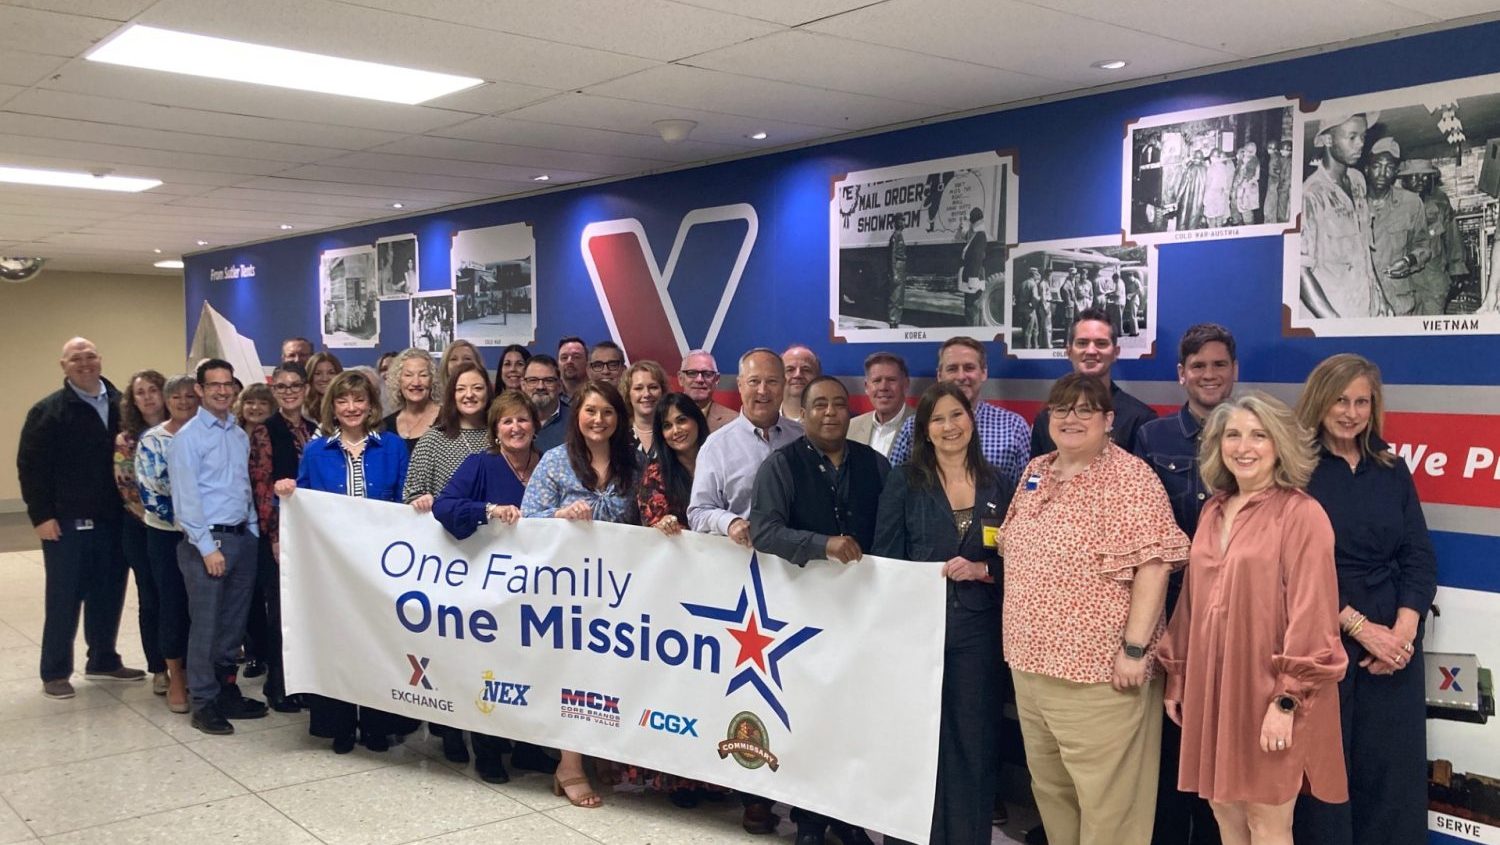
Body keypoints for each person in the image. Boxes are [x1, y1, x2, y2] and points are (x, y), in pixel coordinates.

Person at [999, 373, 1187, 845]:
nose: (1072, 418)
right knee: (1052, 792)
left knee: (1110, 804)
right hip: (1031, 667)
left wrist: (1135, 649)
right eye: (1062, 408)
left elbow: (1155, 566)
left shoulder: (1130, 478)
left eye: (1086, 409)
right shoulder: (1036, 470)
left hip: (1100, 674)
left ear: (1109, 419)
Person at [1159, 393, 1348, 845]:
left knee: (1267, 822)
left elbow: (1314, 614)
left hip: (1271, 691)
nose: (1244, 447)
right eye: (1233, 435)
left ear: (1279, 444)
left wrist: (1286, 701)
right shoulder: (1213, 510)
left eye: (1258, 435)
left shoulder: (1301, 514)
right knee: (1224, 813)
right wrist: (1178, 676)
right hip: (1212, 686)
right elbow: (1191, 601)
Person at [1291, 354, 1436, 845]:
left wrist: (1403, 632)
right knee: (1325, 783)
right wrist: (1358, 627)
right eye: (1340, 400)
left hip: (1393, 645)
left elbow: (1418, 554)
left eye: (1361, 402)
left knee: (1392, 780)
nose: (1350, 413)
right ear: (1319, 401)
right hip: (1323, 635)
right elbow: (1290, 566)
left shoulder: (1391, 468)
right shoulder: (1296, 469)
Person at [749, 375, 886, 845]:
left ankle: (848, 816)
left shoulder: (875, 464)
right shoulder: (781, 465)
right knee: (809, 719)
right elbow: (765, 531)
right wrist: (822, 544)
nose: (830, 413)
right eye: (820, 405)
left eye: (839, 405)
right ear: (803, 414)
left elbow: (893, 529)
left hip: (862, 615)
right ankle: (808, 820)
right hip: (802, 617)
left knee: (853, 719)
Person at [875, 382, 1009, 845]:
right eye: (938, 419)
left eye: (957, 415)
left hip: (978, 632)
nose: (950, 426)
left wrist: (983, 570)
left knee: (973, 739)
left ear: (972, 420)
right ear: (925, 430)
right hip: (917, 631)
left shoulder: (998, 483)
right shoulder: (905, 481)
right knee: (917, 740)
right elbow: (886, 558)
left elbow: (1017, 560)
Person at [687, 347, 803, 835]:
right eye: (753, 381)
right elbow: (698, 511)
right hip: (744, 593)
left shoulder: (802, 439)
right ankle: (755, 795)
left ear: (784, 386)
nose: (762, 391)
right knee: (753, 688)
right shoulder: (717, 446)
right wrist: (730, 522)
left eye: (772, 382)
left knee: (799, 689)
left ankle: (803, 795)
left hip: (799, 584)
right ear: (740, 385)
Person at [277, 371, 417, 753]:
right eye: (343, 401)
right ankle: (339, 725)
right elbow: (304, 502)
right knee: (337, 644)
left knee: (377, 644)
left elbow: (404, 500)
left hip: (381, 566)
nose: (352, 407)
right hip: (333, 567)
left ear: (371, 405)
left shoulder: (392, 447)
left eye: (359, 400)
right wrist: (289, 492)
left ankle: (377, 725)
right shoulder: (316, 451)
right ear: (333, 407)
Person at [1136, 324, 1239, 845]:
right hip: (1169, 611)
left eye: (1219, 365)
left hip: (1234, 615)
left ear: (1234, 371)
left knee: (1225, 744)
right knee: (1170, 745)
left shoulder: (1253, 434)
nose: (1209, 375)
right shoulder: (1152, 437)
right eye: (1198, 366)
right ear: (1181, 374)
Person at [522, 379, 639, 809]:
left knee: (609, 672)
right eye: (590, 411)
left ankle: (599, 751)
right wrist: (561, 514)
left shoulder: (633, 463)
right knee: (573, 673)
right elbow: (527, 518)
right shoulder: (556, 460)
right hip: (566, 588)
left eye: (607, 412)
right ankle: (569, 765)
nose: (598, 420)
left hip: (617, 587)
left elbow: (642, 517)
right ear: (578, 416)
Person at [431, 389, 559, 784]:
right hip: (490, 587)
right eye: (507, 421)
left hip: (539, 588)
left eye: (522, 419)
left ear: (535, 425)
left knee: (533, 667)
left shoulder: (549, 463)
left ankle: (526, 748)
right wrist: (488, 510)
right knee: (491, 668)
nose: (516, 427)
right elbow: (443, 506)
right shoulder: (480, 465)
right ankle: (487, 750)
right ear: (495, 429)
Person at [18, 337, 143, 700]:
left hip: (115, 520)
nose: (85, 363)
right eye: (76, 359)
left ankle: (103, 658)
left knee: (109, 592)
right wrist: (41, 515)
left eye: (90, 356)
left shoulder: (123, 405)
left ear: (100, 360)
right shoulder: (48, 412)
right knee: (65, 597)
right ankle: (55, 671)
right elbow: (31, 468)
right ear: (64, 366)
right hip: (67, 523)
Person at [614, 392, 721, 807]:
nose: (676, 430)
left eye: (682, 421)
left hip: (722, 591)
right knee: (678, 687)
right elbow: (652, 517)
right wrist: (663, 524)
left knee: (715, 688)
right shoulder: (656, 471)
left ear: (697, 421)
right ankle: (678, 781)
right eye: (667, 425)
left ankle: (718, 779)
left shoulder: (720, 458)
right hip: (674, 594)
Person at [167, 358, 267, 735]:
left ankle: (226, 690)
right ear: (200, 390)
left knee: (233, 625)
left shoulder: (238, 435)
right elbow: (186, 499)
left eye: (228, 384)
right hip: (207, 543)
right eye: (214, 385)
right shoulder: (188, 438)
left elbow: (243, 486)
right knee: (206, 626)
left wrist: (252, 531)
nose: (223, 391)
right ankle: (204, 701)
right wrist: (208, 548)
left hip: (242, 538)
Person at [401, 360, 493, 763]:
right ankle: (450, 729)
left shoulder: (500, 435)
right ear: (451, 396)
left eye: (477, 388)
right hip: (447, 559)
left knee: (488, 649)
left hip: (493, 560)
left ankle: (492, 734)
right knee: (449, 647)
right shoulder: (434, 439)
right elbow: (410, 493)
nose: (469, 395)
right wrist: (420, 501)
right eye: (461, 389)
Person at [889, 337, 1030, 493]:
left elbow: (1027, 495)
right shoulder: (913, 426)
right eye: (952, 369)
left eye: (969, 368)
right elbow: (894, 487)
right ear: (939, 375)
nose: (961, 376)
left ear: (983, 372)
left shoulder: (1014, 427)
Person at [136, 374, 199, 713]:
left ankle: (202, 672)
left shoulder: (210, 434)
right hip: (167, 534)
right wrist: (190, 523)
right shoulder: (152, 440)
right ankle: (176, 676)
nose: (184, 402)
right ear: (167, 401)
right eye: (177, 397)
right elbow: (151, 492)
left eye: (190, 396)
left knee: (200, 607)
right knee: (172, 604)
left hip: (208, 534)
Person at [258, 363, 319, 713]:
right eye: (281, 386)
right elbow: (262, 487)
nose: (289, 391)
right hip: (280, 536)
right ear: (274, 391)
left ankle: (304, 682)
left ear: (306, 388)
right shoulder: (265, 432)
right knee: (281, 614)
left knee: (306, 613)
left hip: (311, 537)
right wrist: (274, 535)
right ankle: (278, 684)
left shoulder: (315, 429)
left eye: (295, 385)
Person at [1032, 308, 1157, 455]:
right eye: (1082, 343)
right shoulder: (1047, 419)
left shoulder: (1139, 420)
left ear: (1115, 352)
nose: (1091, 351)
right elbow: (1039, 469)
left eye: (1101, 343)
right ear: (1069, 352)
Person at [1300, 112, 1389, 318]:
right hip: (1334, 311)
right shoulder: (1311, 194)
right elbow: (1299, 271)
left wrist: (1380, 297)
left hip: (1364, 307)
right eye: (1352, 137)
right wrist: (1336, 325)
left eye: (1363, 137)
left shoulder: (1358, 181)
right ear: (1328, 140)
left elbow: (1364, 249)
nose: (1360, 144)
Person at [113, 369, 168, 695]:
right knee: (151, 598)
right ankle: (159, 668)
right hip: (141, 528)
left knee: (178, 598)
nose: (147, 397)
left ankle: (184, 663)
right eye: (140, 392)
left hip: (178, 529)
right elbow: (127, 488)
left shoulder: (181, 430)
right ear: (132, 400)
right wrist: (156, 518)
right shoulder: (126, 440)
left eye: (153, 390)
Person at [1365, 138, 1432, 317]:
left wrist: (1409, 261)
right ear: (1366, 168)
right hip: (1362, 302)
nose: (1382, 173)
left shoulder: (1411, 203)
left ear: (1395, 172)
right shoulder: (1352, 204)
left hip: (1398, 302)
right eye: (1377, 166)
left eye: (1389, 167)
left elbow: (1423, 246)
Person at [236, 381, 275, 682]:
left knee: (268, 593)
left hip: (267, 523)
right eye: (250, 401)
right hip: (239, 524)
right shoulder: (232, 434)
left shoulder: (274, 435)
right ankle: (254, 652)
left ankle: (270, 652)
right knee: (247, 596)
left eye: (263, 402)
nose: (256, 407)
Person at [1400, 158, 1467, 315]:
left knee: (1432, 327)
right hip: (1406, 283)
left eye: (1425, 176)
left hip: (1433, 280)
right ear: (1404, 180)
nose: (1420, 181)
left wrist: (1457, 269)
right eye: (1414, 176)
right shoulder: (1396, 203)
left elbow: (1452, 236)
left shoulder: (1440, 200)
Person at [848, 351, 913, 458]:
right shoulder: (851, 427)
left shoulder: (921, 426)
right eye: (877, 381)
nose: (883, 387)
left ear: (905, 384)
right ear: (866, 387)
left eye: (891, 380)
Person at [382, 348, 441, 451]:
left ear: (432, 380)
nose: (416, 383)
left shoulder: (448, 420)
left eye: (423, 375)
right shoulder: (385, 426)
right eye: (408, 375)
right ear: (398, 380)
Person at [677, 350, 738, 432]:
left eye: (707, 374)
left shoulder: (734, 422)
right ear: (680, 378)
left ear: (717, 379)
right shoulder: (664, 416)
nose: (699, 380)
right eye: (692, 373)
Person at [524, 354, 570, 454]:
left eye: (548, 381)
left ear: (559, 386)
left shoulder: (576, 420)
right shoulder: (511, 419)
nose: (540, 387)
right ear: (523, 385)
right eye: (533, 380)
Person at [620, 360, 666, 456]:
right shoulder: (619, 435)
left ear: (663, 391)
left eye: (653, 387)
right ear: (628, 394)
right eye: (638, 388)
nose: (647, 394)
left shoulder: (673, 431)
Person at [958, 207, 988, 324]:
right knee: (970, 305)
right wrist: (963, 224)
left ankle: (971, 329)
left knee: (971, 306)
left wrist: (973, 279)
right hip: (972, 275)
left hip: (973, 276)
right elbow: (967, 236)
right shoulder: (977, 234)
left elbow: (977, 257)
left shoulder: (980, 235)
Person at [780, 344, 820, 423]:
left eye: (806, 370)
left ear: (817, 377)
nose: (797, 375)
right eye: (790, 370)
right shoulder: (764, 417)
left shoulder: (829, 420)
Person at [304, 350, 343, 427]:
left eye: (331, 373)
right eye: (318, 373)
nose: (325, 378)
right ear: (310, 377)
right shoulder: (301, 409)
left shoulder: (347, 406)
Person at [1230, 143, 1261, 226]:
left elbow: (1248, 177)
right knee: (1236, 209)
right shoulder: (1244, 161)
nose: (1244, 153)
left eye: (1246, 151)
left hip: (1247, 190)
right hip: (1240, 189)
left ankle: (1249, 228)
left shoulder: (1253, 162)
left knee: (1246, 211)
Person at [1015, 268, 1044, 349]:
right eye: (1036, 274)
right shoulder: (1033, 284)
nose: (1037, 276)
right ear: (1033, 275)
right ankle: (1027, 347)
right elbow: (1035, 298)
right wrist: (1040, 298)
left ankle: (1035, 346)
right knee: (1028, 331)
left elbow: (1017, 296)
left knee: (1034, 328)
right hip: (1030, 310)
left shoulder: (1023, 283)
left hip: (1023, 309)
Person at [1204, 149, 1233, 228]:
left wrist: (1205, 198)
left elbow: (1208, 184)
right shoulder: (1223, 167)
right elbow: (1226, 183)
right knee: (1219, 218)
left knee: (1211, 219)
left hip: (1211, 195)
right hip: (1221, 194)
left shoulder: (1211, 168)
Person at [1265, 140, 1291, 224]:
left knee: (1281, 209)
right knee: (1276, 208)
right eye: (1281, 149)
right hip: (1279, 187)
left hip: (1282, 189)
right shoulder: (1281, 159)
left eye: (1284, 150)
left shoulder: (1288, 162)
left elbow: (1287, 178)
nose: (1281, 151)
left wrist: (1282, 188)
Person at [888, 227, 907, 328]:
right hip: (897, 266)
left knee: (900, 297)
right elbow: (892, 256)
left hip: (902, 266)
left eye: (903, 220)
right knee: (895, 296)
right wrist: (894, 273)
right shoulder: (895, 236)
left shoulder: (901, 236)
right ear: (896, 223)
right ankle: (892, 321)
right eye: (901, 220)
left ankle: (897, 322)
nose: (903, 222)